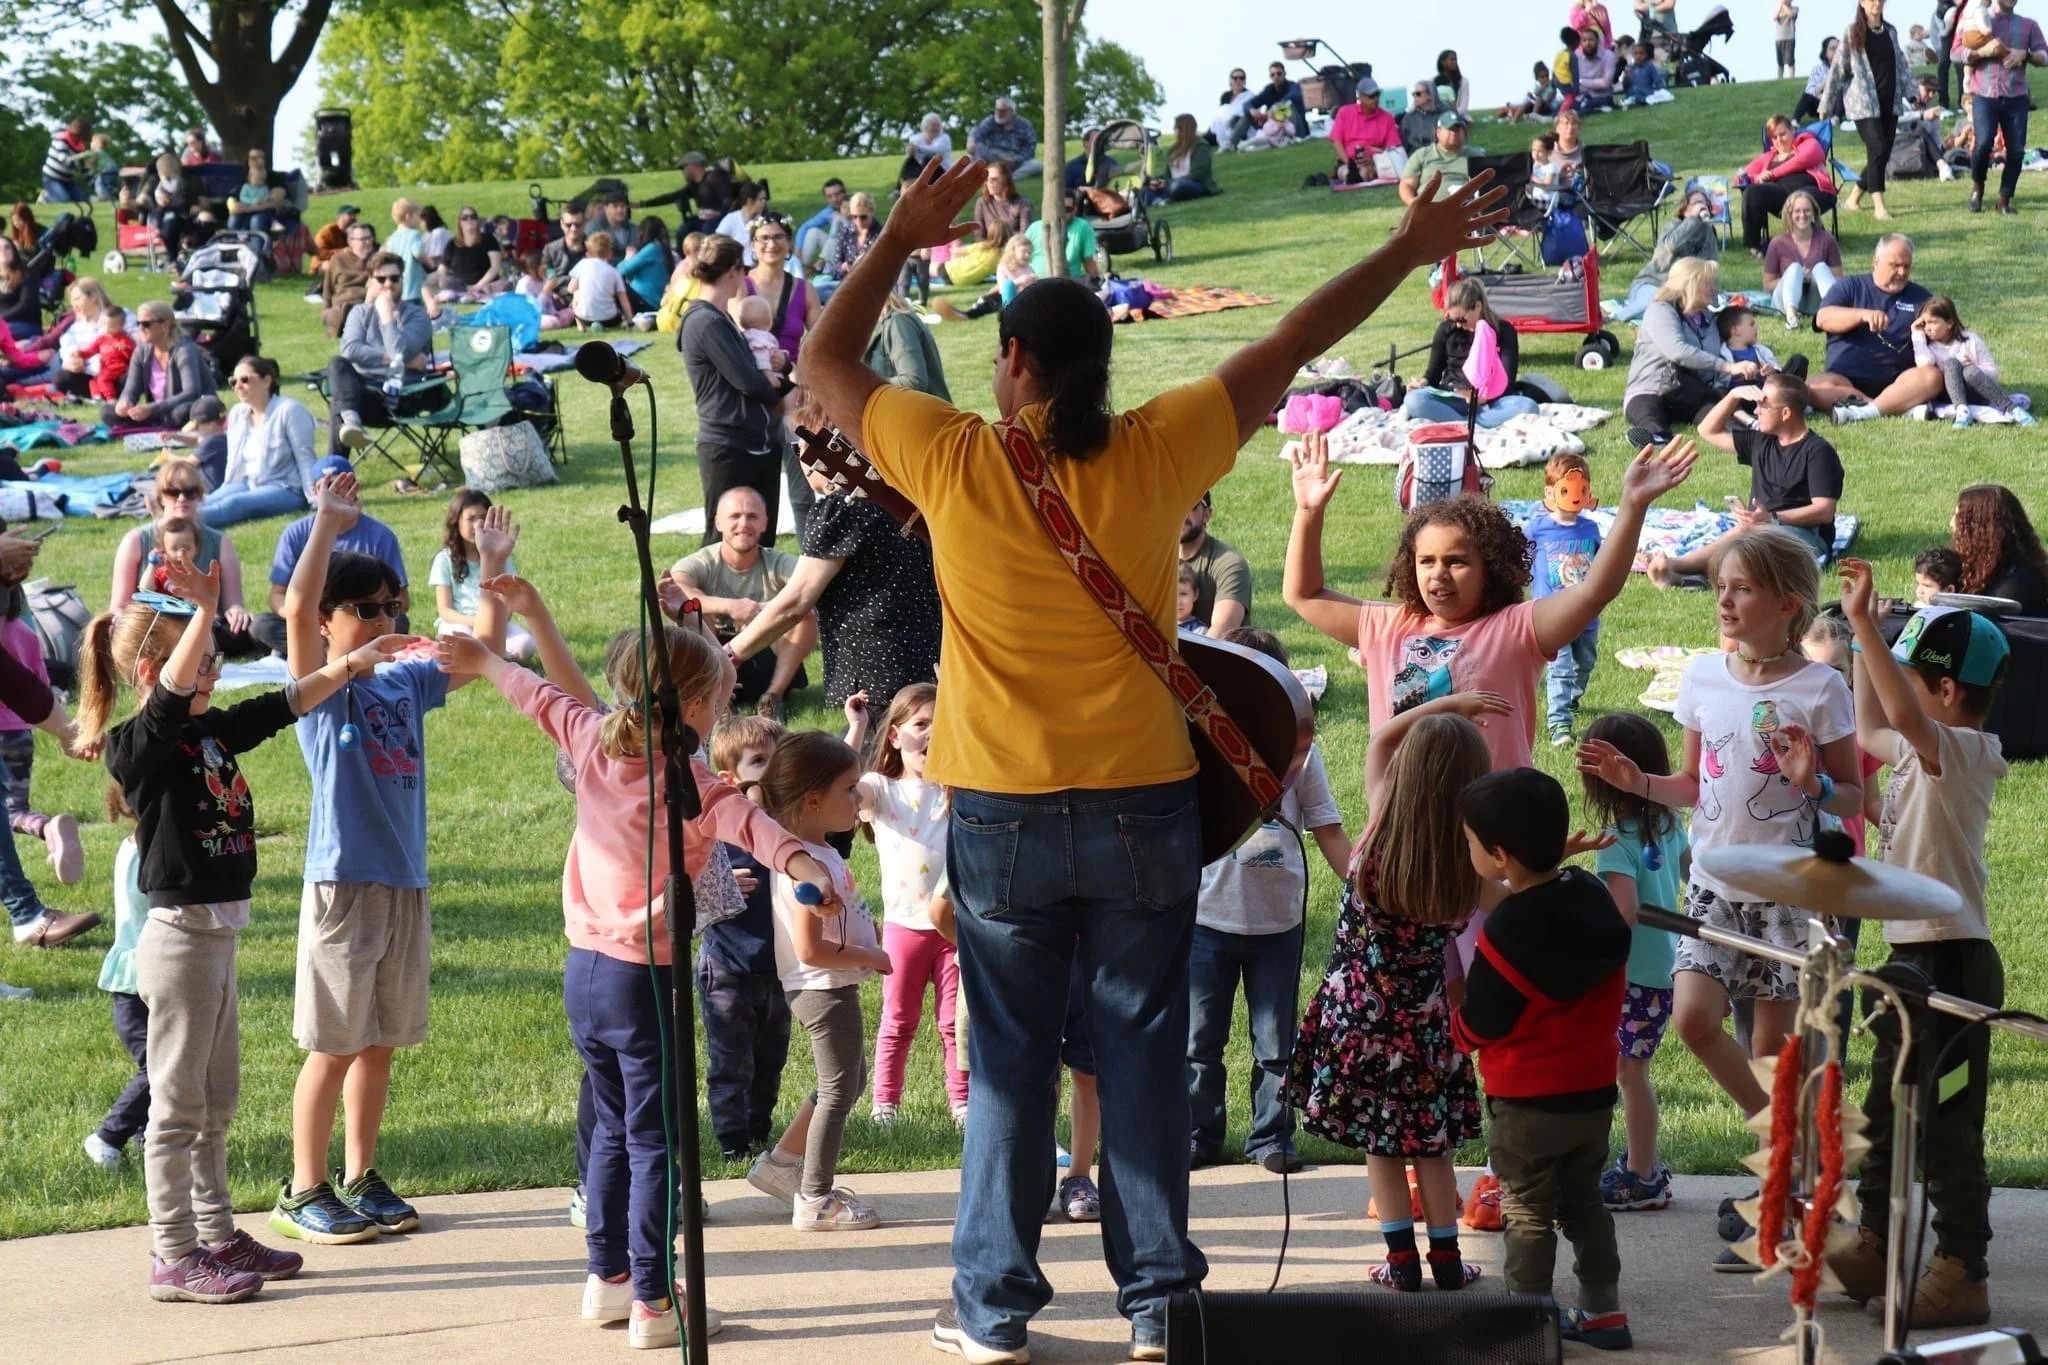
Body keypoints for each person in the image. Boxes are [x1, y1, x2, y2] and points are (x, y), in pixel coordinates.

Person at [789, 152, 1511, 1359]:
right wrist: (1406, 246)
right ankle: (1159, 1307)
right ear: (1098, 367)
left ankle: (993, 1314)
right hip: (1143, 804)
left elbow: (821, 358)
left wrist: (904, 235)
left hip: (1003, 812)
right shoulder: (1162, 443)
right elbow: (1295, 338)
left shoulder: (952, 453)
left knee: (1010, 1071)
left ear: (1012, 361)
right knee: (1138, 1058)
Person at [84, 543, 415, 1302]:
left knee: (216, 1101)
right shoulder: (139, 746)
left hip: (216, 936)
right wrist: (204, 609)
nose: (213, 671)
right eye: (202, 662)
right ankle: (175, 1254)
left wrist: (352, 663)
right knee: (177, 1109)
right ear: (154, 672)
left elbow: (281, 705)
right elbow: (169, 697)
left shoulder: (208, 733)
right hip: (180, 940)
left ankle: (217, 1234)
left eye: (213, 659)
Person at [1579, 526, 1863, 1267]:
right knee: (1694, 1019)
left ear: (1788, 604)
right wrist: (1637, 782)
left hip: (1789, 892)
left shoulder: (1821, 688)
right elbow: (1692, 785)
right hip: (1713, 886)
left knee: (1769, 1052)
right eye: (1721, 587)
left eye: (1742, 589)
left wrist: (1812, 783)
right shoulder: (1704, 676)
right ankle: (1794, 1153)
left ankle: (1778, 1204)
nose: (1725, 601)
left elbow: (1852, 793)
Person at [268, 475, 508, 1246]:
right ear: (331, 621)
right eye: (364, 609)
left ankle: (360, 1174)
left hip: (405, 880)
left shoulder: (406, 681)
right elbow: (295, 610)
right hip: (344, 883)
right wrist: (326, 525)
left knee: (379, 1041)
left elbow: (484, 653)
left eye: (390, 607)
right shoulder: (320, 692)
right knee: (335, 1042)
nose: (382, 620)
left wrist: (491, 567)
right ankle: (303, 1186)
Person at [1829, 563, 2010, 1328]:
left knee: (1946, 1123)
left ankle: (1964, 1266)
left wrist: (1865, 628)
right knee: (1885, 1108)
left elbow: (1898, 717)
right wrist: (1858, 640)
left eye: (1911, 675)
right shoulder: (1919, 750)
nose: (1896, 686)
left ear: (1944, 689)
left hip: (1953, 962)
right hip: (1910, 957)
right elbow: (1874, 726)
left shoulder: (1966, 753)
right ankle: (1875, 1240)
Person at [1289, 697, 1492, 1286]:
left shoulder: (1375, 839)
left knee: (1380, 1146)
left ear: (1406, 771)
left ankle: (1400, 1262)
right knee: (1432, 1145)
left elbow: (1380, 740)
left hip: (1359, 1021)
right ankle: (1448, 1260)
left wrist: (1448, 704)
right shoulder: (1465, 868)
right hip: (1427, 1027)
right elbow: (1521, 895)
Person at [1454, 767, 1634, 1347]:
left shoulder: (1506, 931)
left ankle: (1528, 1323)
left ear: (1499, 855)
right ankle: (1604, 1314)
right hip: (1592, 1094)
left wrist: (1454, 1029)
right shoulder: (1592, 897)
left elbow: (1481, 1023)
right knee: (1584, 1202)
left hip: (1526, 1102)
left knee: (1528, 1210)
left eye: (1470, 842)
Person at [1191, 628, 1346, 1175]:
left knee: (1276, 1043)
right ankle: (1197, 1134)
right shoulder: (1200, 747)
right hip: (1206, 920)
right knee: (1198, 1041)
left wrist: (1363, 886)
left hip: (1278, 927)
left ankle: (1272, 1138)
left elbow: (1327, 827)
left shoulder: (1302, 755)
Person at [751, 730, 888, 1233]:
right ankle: (815, 1198)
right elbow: (810, 949)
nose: (858, 799)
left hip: (829, 984)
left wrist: (866, 933)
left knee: (849, 1081)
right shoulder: (802, 869)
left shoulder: (818, 853)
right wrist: (871, 956)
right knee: (838, 1089)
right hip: (821, 987)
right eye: (849, 789)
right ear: (812, 800)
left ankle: (782, 1165)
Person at [1575, 713, 1690, 1214]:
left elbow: (1621, 913)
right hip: (1663, 970)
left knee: (1630, 1073)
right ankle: (1643, 1164)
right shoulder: (1668, 823)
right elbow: (1692, 875)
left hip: (1633, 978)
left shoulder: (1615, 841)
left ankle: (1643, 1175)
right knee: (1631, 1070)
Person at [722, 451, 943, 712]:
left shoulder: (841, 510)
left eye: (800, 450)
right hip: (931, 664)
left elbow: (796, 601)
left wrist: (730, 653)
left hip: (874, 678)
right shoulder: (907, 495)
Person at [839, 683, 967, 1127]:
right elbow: (842, 782)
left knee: (953, 1023)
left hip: (954, 928)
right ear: (894, 736)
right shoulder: (881, 789)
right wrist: (857, 728)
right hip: (903, 928)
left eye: (941, 723)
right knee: (897, 1020)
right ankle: (885, 1105)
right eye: (921, 724)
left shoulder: (960, 788)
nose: (931, 732)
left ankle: (962, 1103)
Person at [1646, 374, 1843, 586]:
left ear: (1785, 413)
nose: (1756, 411)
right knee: (1747, 542)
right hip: (1759, 530)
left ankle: (1677, 567)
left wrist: (1773, 518)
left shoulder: (1818, 452)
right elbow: (1707, 430)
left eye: (1763, 405)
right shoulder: (1761, 441)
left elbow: (1824, 511)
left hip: (1806, 536)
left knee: (1748, 541)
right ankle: (1681, 576)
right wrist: (1733, 396)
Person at [702, 715, 794, 1161]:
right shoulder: (717, 830)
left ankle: (759, 1130)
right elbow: (683, 885)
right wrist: (722, 883)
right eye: (759, 761)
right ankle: (732, 1140)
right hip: (728, 965)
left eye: (780, 760)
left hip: (779, 967)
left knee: (770, 1057)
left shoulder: (790, 825)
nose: (771, 770)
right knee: (731, 1059)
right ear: (729, 778)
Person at [681, 236, 794, 547]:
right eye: (743, 268)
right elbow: (748, 382)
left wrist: (782, 368)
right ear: (732, 271)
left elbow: (756, 372)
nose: (745, 275)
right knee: (722, 544)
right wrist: (789, 395)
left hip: (754, 441)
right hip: (728, 445)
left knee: (760, 542)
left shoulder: (723, 319)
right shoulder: (705, 322)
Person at [673, 486, 815, 715]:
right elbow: (676, 591)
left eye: (752, 516)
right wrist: (732, 607)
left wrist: (758, 611)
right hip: (713, 658)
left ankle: (772, 699)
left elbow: (810, 587)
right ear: (718, 522)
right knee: (694, 612)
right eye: (735, 516)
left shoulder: (777, 562)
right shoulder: (703, 562)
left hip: (767, 659)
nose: (744, 524)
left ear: (765, 524)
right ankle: (717, 696)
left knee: (805, 617)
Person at [247, 459, 411, 657]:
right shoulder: (295, 533)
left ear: (355, 488)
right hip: (313, 621)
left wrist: (370, 609)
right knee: (262, 625)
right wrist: (301, 617)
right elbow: (277, 594)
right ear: (314, 491)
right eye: (328, 486)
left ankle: (315, 651)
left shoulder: (380, 535)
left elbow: (401, 598)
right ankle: (327, 650)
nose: (336, 491)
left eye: (343, 484)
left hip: (362, 621)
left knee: (398, 621)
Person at [108, 457, 261, 658]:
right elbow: (119, 607)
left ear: (200, 496)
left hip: (204, 625)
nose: (182, 498)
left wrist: (236, 611)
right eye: (173, 492)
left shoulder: (220, 542)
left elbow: (233, 603)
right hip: (152, 626)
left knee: (254, 628)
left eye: (190, 492)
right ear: (161, 497)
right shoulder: (136, 540)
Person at [1808, 233, 1942, 420]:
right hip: (1844, 381)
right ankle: (1893, 407)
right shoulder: (1849, 286)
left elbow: (1943, 332)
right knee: (1812, 387)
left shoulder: (1921, 297)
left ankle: (1867, 409)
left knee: (1932, 377)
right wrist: (1862, 315)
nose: (1902, 272)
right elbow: (1823, 319)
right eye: (1895, 265)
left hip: (1900, 383)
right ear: (1875, 262)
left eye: (1906, 266)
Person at [83, 789, 149, 1166]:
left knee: (165, 1062)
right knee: (162, 1066)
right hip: (137, 984)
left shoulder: (132, 846)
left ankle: (146, 1137)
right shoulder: (148, 853)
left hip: (139, 978)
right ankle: (107, 1137)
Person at [1621, 258, 1752, 444]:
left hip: (1690, 391)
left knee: (1718, 418)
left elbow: (1735, 339)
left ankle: (1750, 437)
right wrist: (1726, 366)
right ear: (1690, 285)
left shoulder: (1708, 318)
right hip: (1650, 389)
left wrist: (1758, 363)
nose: (1714, 288)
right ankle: (1653, 438)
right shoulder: (1660, 311)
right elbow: (1678, 351)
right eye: (1708, 283)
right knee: (1651, 419)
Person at [1528, 454, 1606, 746]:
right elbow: (1519, 554)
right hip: (1553, 616)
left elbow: (1601, 562)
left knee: (1585, 662)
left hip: (1586, 616)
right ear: (1551, 491)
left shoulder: (1590, 529)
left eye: (1581, 489)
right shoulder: (1537, 529)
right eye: (1567, 489)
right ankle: (1559, 724)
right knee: (1560, 669)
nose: (1575, 496)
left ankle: (1572, 699)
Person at [326, 252, 435, 455]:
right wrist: (399, 361)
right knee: (337, 364)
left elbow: (398, 350)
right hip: (363, 394)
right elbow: (350, 349)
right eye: (381, 279)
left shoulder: (417, 316)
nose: (388, 284)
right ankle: (352, 423)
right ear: (370, 281)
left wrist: (386, 315)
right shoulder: (360, 312)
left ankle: (334, 469)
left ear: (402, 280)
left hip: (401, 398)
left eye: (394, 278)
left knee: (340, 405)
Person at [1402, 278, 1542, 428]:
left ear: (1478, 306)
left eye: (1462, 319)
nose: (1458, 325)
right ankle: (1471, 424)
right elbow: (1433, 375)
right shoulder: (1446, 330)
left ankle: (1462, 424)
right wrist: (1422, 382)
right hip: (1453, 398)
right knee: (1414, 400)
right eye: (1452, 319)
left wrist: (1483, 398)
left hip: (1491, 402)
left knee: (1528, 406)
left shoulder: (1503, 331)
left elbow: (1507, 381)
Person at [1818, 0, 1913, 221]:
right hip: (1863, 105)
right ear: (1862, 3)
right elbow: (1837, 70)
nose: (1876, 3)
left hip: (1890, 103)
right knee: (1877, 147)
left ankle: (1853, 199)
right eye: (1871, 0)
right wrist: (1826, 105)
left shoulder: (1891, 31)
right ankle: (1879, 206)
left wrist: (1913, 93)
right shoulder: (1852, 32)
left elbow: (1901, 64)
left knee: (1882, 154)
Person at [1956, 0, 2048, 214]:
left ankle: (2004, 201)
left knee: (2016, 151)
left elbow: (2045, 56)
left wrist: (2026, 54)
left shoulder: (2029, 25)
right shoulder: (1977, 17)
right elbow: (1955, 52)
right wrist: (1982, 52)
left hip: (2016, 96)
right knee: (1983, 144)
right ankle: (1977, 189)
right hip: (1984, 94)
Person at [206, 356, 318, 528]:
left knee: (233, 504)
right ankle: (170, 519)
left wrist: (315, 499)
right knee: (205, 501)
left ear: (266, 381)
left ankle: (173, 524)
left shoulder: (289, 410)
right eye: (233, 381)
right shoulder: (237, 414)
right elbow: (233, 462)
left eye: (245, 380)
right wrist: (227, 487)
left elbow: (305, 457)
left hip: (285, 488)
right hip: (246, 483)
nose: (238, 386)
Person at [429, 489, 535, 660]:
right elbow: (445, 611)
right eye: (470, 519)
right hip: (460, 624)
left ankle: (489, 656)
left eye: (483, 518)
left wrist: (494, 624)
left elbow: (509, 602)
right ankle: (490, 656)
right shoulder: (444, 559)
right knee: (460, 639)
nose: (478, 525)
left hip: (496, 621)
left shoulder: (501, 556)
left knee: (526, 645)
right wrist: (477, 623)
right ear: (456, 521)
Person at [1913, 295, 2031, 427]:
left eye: (1933, 322)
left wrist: (1974, 368)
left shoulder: (1971, 340)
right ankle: (1962, 412)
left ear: (1950, 323)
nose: (1927, 328)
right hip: (1948, 396)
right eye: (1924, 323)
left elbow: (1993, 373)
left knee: (1970, 371)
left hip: (1977, 390)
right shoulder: (1929, 347)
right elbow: (1924, 364)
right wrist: (1917, 334)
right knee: (1951, 363)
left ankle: (2012, 409)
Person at [1608, 187, 1721, 322]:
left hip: (1681, 295)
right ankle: (1615, 317)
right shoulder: (1673, 227)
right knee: (1658, 304)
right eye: (1697, 203)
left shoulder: (1708, 233)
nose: (1702, 206)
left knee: (1681, 311)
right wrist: (1693, 220)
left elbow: (1709, 269)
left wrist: (1713, 306)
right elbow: (1671, 246)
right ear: (1685, 210)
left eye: (1705, 203)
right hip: (1653, 284)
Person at [106, 301, 216, 431]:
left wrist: (152, 408)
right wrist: (125, 402)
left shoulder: (184, 350)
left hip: (186, 407)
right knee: (108, 411)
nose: (140, 328)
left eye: (146, 324)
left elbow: (191, 393)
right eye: (138, 323)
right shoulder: (142, 351)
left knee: (182, 413)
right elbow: (131, 388)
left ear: (165, 325)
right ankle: (157, 424)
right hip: (158, 412)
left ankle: (154, 425)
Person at [1738, 118, 1839, 256]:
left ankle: (1814, 239)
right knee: (1751, 192)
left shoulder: (1808, 143)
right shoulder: (1768, 157)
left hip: (1815, 191)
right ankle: (1755, 244)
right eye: (1774, 137)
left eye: (1782, 134)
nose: (1778, 140)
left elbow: (1802, 160)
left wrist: (1773, 174)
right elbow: (1740, 177)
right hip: (1782, 196)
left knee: (1799, 199)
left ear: (1792, 130)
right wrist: (1758, 177)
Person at [1951, 483, 2048, 611]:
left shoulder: (2018, 581)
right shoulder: (1969, 565)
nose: (1952, 523)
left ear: (1980, 528)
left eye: (1959, 518)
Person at [1762, 191, 1842, 328]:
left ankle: (1834, 310)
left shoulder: (1827, 240)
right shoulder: (1777, 243)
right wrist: (1796, 278)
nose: (1802, 215)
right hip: (1784, 302)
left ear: (1814, 213)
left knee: (1820, 267)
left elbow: (1839, 280)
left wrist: (1812, 277)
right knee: (1794, 269)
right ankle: (1792, 318)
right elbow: (1767, 285)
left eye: (1807, 211)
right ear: (1789, 214)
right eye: (1797, 211)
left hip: (1815, 301)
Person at [1178, 492, 1252, 636]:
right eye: (1173, 505)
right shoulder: (1154, 559)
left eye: (1191, 506)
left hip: (1207, 649)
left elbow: (1224, 628)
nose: (1180, 513)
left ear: (1207, 514)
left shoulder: (1229, 564)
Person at [1330, 79, 1406, 185]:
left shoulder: (1387, 118)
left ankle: (1355, 176)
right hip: (1348, 160)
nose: (1375, 99)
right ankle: (1353, 174)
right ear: (1360, 97)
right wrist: (1350, 163)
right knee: (1346, 171)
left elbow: (1393, 149)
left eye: (1377, 95)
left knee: (1366, 171)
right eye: (1371, 96)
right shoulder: (1345, 113)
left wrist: (1373, 155)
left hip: (1376, 161)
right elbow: (1336, 141)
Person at [1024, 190, 1100, 283]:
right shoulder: (1034, 228)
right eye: (1059, 208)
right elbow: (1016, 257)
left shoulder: (1082, 227)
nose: (1062, 213)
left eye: (1067, 209)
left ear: (1075, 210)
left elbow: (1089, 262)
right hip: (1033, 284)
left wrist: (1096, 283)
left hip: (1067, 284)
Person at [320, 219, 378, 337]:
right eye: (363, 239)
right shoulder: (338, 259)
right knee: (343, 310)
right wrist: (326, 309)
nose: (367, 242)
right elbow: (328, 288)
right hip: (343, 302)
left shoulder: (378, 258)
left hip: (367, 301)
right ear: (350, 241)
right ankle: (342, 321)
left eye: (369, 238)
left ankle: (349, 324)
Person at [432, 207, 504, 299]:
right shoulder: (452, 243)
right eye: (465, 217)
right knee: (444, 281)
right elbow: (442, 269)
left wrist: (479, 285)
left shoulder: (489, 239)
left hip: (486, 284)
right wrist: (429, 282)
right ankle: (469, 292)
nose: (469, 219)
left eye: (472, 217)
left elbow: (495, 267)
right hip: (461, 286)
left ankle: (473, 292)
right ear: (460, 222)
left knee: (505, 284)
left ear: (477, 221)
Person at [1400, 112, 1472, 205]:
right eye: (1450, 129)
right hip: (1430, 208)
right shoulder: (1422, 155)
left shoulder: (1476, 155)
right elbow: (1407, 184)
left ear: (1464, 132)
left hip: (1467, 207)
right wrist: (1414, 203)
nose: (1453, 133)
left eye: (1457, 129)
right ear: (1438, 132)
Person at [568, 230, 632, 330]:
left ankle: (581, 327)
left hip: (584, 317)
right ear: (610, 254)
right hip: (609, 319)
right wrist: (630, 321)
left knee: (576, 293)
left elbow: (571, 288)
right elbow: (623, 300)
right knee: (617, 297)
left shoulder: (582, 264)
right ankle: (600, 324)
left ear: (587, 253)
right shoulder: (614, 272)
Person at [1149, 114, 1219, 203]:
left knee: (1177, 186)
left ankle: (1162, 199)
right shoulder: (1173, 149)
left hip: (1196, 184)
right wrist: (1157, 181)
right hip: (1172, 183)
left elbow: (1197, 174)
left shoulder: (1201, 146)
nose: (1174, 131)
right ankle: (1159, 202)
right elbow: (1167, 176)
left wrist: (1168, 182)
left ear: (1183, 129)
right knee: (1146, 189)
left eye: (1175, 128)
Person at [968, 97, 1043, 179]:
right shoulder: (991, 121)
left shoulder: (1024, 124)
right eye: (997, 110)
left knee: (1037, 165)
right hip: (994, 157)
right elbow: (977, 131)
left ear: (1012, 112)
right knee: (977, 148)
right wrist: (971, 139)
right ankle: (992, 174)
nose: (999, 113)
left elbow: (1030, 148)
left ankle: (1007, 177)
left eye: (1003, 111)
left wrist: (1015, 160)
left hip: (1015, 159)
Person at [225, 149, 290, 238]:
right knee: (233, 218)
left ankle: (257, 246)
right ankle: (231, 244)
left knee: (256, 220)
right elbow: (234, 196)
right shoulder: (243, 178)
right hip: (243, 211)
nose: (258, 161)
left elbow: (274, 201)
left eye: (261, 157)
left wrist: (249, 208)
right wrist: (233, 206)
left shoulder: (274, 177)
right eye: (253, 158)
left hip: (264, 212)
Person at [619, 218, 675, 315]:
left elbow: (622, 270)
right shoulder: (663, 248)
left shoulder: (652, 248)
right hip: (655, 301)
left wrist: (627, 258)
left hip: (645, 300)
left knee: (614, 284)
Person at [1247, 62, 1311, 141]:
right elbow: (1248, 104)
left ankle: (1290, 137)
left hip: (1295, 129)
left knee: (1288, 105)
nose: (1276, 77)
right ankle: (1233, 143)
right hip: (1273, 129)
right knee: (1247, 114)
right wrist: (1251, 110)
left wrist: (1273, 109)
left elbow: (1293, 96)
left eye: (1279, 74)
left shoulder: (1293, 86)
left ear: (1284, 74)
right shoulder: (1268, 90)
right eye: (1272, 75)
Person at [795, 178, 849, 271]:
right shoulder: (829, 212)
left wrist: (841, 219)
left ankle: (822, 262)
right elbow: (804, 227)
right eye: (829, 196)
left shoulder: (855, 206)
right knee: (813, 232)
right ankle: (797, 268)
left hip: (854, 251)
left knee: (836, 235)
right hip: (835, 249)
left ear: (844, 193)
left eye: (837, 194)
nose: (834, 199)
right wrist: (798, 249)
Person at [714, 180, 769, 266]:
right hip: (738, 267)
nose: (764, 203)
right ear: (749, 201)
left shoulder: (765, 220)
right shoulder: (731, 219)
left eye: (765, 199)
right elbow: (717, 242)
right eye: (761, 199)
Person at [41, 117, 93, 204]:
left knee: (82, 200)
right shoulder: (61, 140)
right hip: (52, 178)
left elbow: (83, 169)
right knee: (63, 200)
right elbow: (65, 160)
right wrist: (82, 159)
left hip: (67, 180)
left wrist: (93, 183)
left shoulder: (80, 146)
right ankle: (46, 197)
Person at [1795, 35, 1842, 120]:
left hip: (1838, 104)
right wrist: (1827, 80)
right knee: (1806, 96)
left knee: (1840, 92)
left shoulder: (1846, 68)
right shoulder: (1818, 69)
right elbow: (1810, 90)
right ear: (1825, 53)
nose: (1836, 51)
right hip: (1819, 104)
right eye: (1832, 48)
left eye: (1838, 48)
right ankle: (1794, 121)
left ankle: (1836, 118)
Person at [1576, 27, 1621, 110]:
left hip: (1602, 98)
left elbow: (1605, 84)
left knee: (1584, 108)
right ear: (1581, 43)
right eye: (1584, 40)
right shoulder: (1576, 56)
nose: (1587, 43)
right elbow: (1573, 86)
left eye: (1591, 40)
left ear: (1598, 41)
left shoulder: (1608, 56)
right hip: (1580, 98)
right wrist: (1597, 83)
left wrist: (1580, 81)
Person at [1211, 69, 1257, 149]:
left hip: (1242, 126)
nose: (1238, 81)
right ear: (1230, 80)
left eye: (1241, 78)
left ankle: (1230, 144)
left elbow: (1248, 113)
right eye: (1235, 78)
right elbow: (1221, 112)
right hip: (1223, 127)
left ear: (1244, 81)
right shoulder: (1225, 96)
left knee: (1235, 119)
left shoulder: (1250, 95)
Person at [904, 113, 954, 179]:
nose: (936, 128)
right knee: (909, 162)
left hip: (942, 172)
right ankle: (903, 184)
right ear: (925, 126)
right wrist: (910, 151)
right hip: (920, 172)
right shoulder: (916, 138)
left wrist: (918, 148)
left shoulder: (945, 138)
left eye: (938, 125)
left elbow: (935, 150)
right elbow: (912, 155)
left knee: (927, 160)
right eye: (933, 125)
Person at [1435, 49, 1474, 113]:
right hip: (1438, 116)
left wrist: (1450, 115)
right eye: (1452, 60)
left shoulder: (1463, 81)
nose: (1455, 62)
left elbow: (1463, 107)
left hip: (1458, 115)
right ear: (1443, 62)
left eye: (1455, 60)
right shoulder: (1432, 80)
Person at [1777, 0, 1802, 75]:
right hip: (1779, 37)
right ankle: (1779, 78)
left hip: (1790, 37)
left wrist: (1783, 5)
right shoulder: (1779, 9)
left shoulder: (1795, 8)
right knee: (1780, 61)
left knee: (1790, 60)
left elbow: (1791, 15)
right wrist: (1781, 6)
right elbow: (1774, 17)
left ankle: (1791, 77)